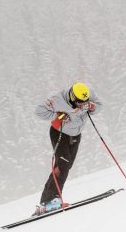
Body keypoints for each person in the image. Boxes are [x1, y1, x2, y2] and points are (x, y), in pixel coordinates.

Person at [32, 81, 101, 215]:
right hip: (60, 133)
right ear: (72, 97)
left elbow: (99, 106)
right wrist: (57, 116)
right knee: (63, 165)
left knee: (65, 166)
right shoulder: (59, 100)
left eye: (85, 102)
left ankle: (45, 203)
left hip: (76, 134)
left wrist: (92, 106)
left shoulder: (87, 95)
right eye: (80, 102)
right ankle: (51, 201)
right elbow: (39, 111)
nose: (83, 105)